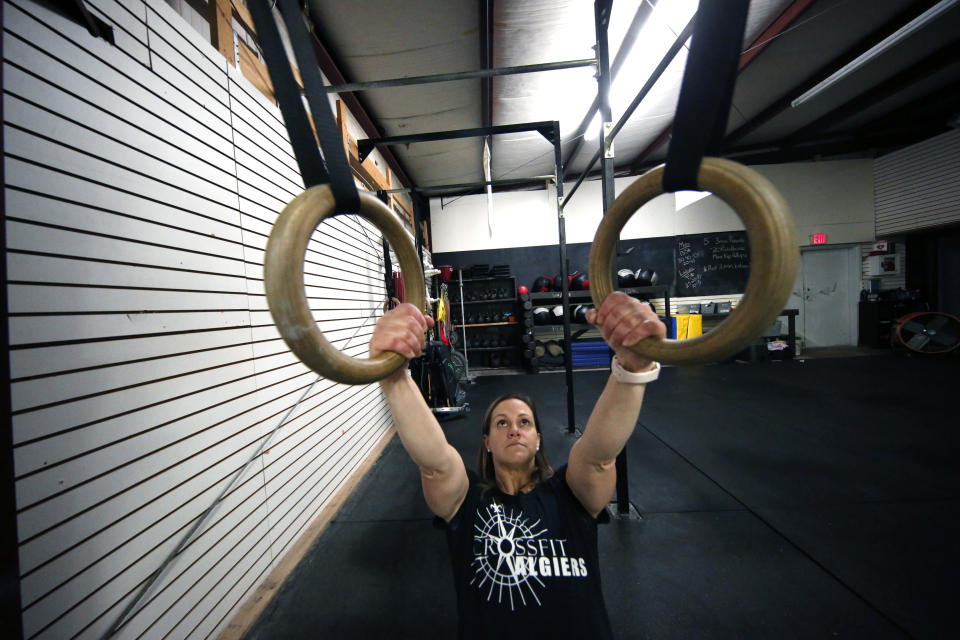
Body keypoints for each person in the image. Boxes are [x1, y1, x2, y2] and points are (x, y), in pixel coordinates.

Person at [370, 291, 666, 639]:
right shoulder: (465, 503)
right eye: (501, 423)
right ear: (487, 443)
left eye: (524, 423)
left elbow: (599, 457)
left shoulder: (570, 497)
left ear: (539, 439)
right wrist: (393, 375)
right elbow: (435, 463)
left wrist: (632, 369)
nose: (514, 429)